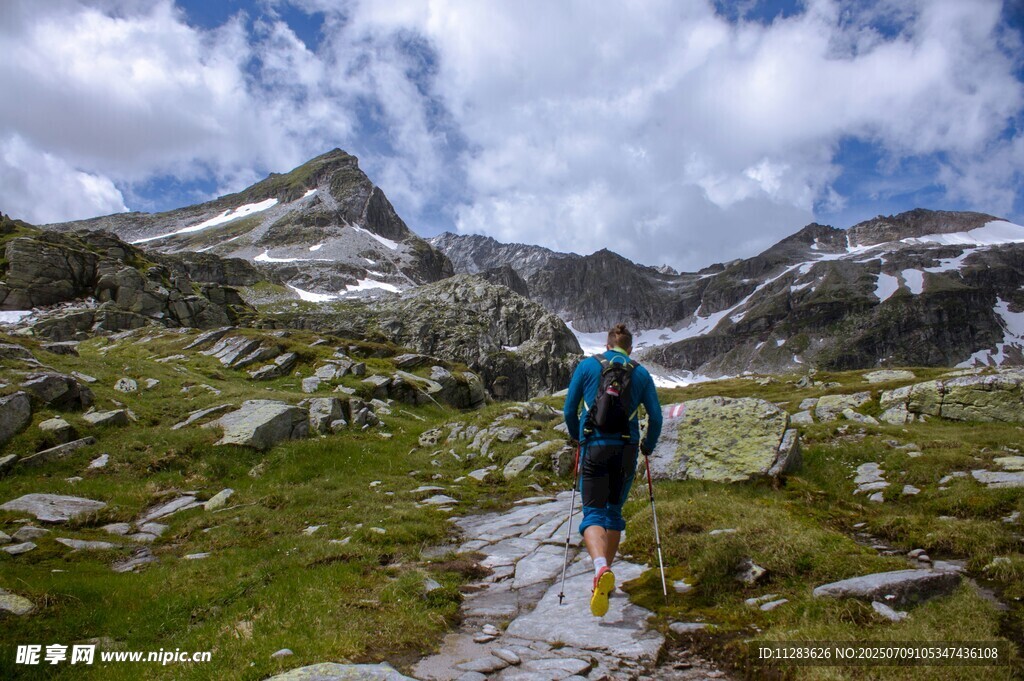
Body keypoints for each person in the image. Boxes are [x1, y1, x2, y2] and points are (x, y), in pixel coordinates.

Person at [563, 323, 662, 617]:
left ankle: (600, 568)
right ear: (630, 349)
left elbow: (569, 409)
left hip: (593, 445)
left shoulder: (587, 367)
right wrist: (648, 446)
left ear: (606, 346)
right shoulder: (641, 373)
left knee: (592, 512)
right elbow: (655, 417)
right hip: (627, 449)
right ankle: (605, 578)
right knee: (613, 513)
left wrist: (576, 435)